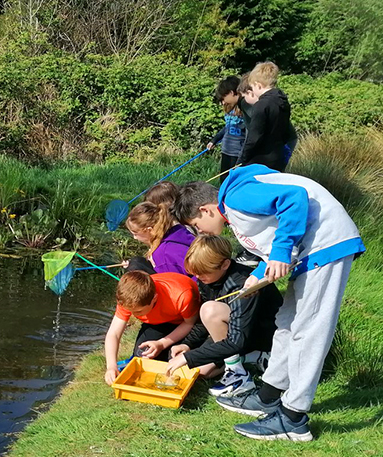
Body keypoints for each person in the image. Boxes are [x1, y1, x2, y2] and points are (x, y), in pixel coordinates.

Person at [173, 167, 365, 442]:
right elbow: (273, 233)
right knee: (286, 323)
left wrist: (282, 251)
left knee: (308, 330)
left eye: (195, 225)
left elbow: (293, 198)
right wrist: (258, 273)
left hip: (326, 246)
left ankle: (293, 418)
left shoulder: (237, 197)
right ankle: (268, 396)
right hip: (311, 252)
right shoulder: (235, 208)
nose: (198, 233)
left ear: (206, 210)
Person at [166, 234, 281, 399]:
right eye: (195, 273)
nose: (199, 277)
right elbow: (203, 322)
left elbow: (236, 340)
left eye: (203, 272)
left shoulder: (242, 283)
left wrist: (187, 358)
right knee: (203, 371)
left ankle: (238, 375)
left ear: (225, 264)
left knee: (209, 309)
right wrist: (188, 345)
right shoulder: (207, 279)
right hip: (239, 331)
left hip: (264, 333)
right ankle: (255, 357)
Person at [102, 270, 200, 385]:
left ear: (154, 298)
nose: (133, 315)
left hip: (183, 322)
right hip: (157, 323)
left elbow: (190, 323)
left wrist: (162, 343)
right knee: (143, 357)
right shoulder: (127, 298)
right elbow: (114, 333)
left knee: (174, 360)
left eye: (139, 311)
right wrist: (111, 366)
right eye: (131, 311)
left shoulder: (181, 295)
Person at [237, 62, 298, 172]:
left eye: (252, 87)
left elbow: (254, 138)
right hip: (278, 157)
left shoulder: (261, 105)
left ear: (258, 85)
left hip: (261, 160)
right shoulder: (283, 101)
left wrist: (242, 160)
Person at [124, 200, 194, 276]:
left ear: (149, 230)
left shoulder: (162, 255)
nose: (134, 238)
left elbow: (171, 284)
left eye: (135, 233)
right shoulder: (179, 231)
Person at [206, 76, 247, 179]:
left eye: (224, 98)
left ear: (232, 93)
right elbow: (226, 128)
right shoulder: (229, 111)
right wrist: (214, 140)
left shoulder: (246, 111)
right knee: (224, 179)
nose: (223, 102)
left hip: (238, 154)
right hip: (226, 151)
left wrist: (243, 156)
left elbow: (249, 135)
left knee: (234, 181)